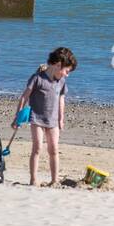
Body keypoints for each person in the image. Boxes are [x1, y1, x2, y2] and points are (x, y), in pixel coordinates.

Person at [12, 47, 76, 187]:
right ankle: (33, 179)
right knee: (37, 148)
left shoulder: (61, 82)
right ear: (58, 64)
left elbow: (61, 100)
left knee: (54, 149)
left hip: (53, 120)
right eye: (66, 71)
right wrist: (17, 117)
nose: (67, 75)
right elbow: (24, 97)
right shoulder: (38, 79)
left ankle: (55, 180)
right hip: (37, 118)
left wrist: (61, 119)